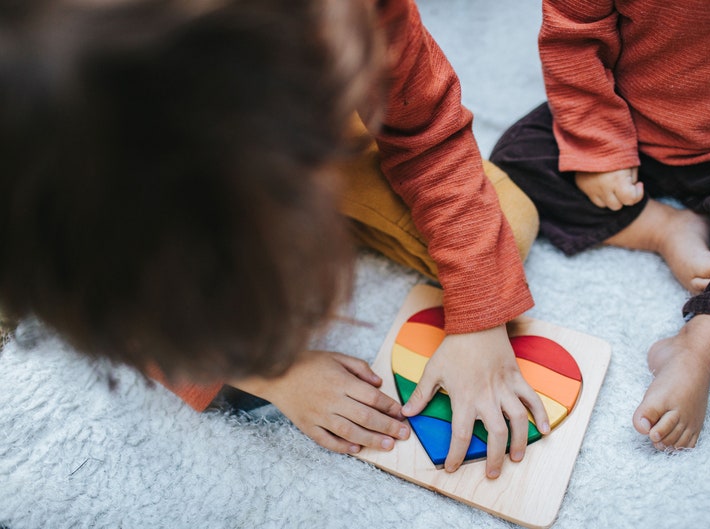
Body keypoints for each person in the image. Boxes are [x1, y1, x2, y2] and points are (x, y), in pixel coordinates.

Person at [0, 0, 549, 478]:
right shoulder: (58, 133)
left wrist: (479, 317)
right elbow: (116, 298)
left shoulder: (346, 23)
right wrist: (273, 375)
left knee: (506, 225)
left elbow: (429, 135)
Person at [490, 0, 710, 450]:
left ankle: (701, 346)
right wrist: (596, 145)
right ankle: (662, 227)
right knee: (515, 160)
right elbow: (572, 34)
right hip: (625, 122)